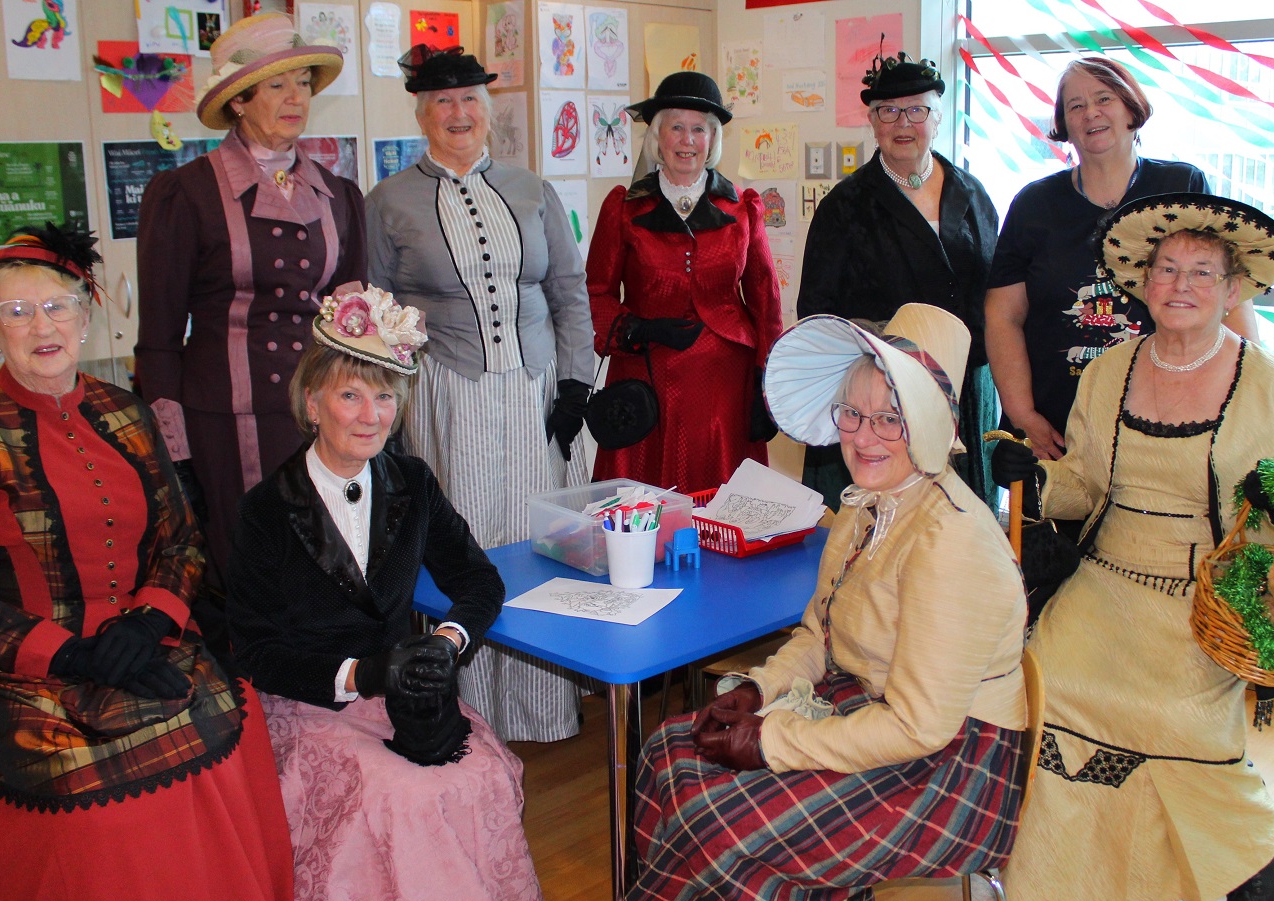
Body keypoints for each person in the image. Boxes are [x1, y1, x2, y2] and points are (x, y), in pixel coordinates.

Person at [0, 225, 296, 901]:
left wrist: (150, 621)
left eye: (56, 306)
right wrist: (68, 654)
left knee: (228, 720)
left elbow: (180, 540)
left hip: (140, 638)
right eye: (17, 313)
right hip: (15, 667)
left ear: (87, 314)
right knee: (93, 809)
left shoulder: (128, 413)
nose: (41, 326)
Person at [603, 303, 1028, 901]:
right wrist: (759, 690)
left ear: (931, 426)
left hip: (952, 769)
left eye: (891, 418)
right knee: (668, 748)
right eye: (852, 413)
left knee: (719, 818)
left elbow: (918, 728)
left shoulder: (952, 542)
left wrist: (771, 741)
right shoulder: (867, 505)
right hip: (871, 707)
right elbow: (818, 636)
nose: (862, 437)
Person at [991, 194, 1274, 901]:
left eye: (1201, 273)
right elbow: (1082, 482)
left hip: (1208, 592)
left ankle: (1241, 847)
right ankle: (1126, 867)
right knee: (1054, 679)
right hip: (1106, 575)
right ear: (1141, 281)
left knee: (1172, 712)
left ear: (1233, 290)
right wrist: (1035, 477)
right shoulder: (1107, 373)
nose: (1179, 284)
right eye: (1166, 268)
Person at [225, 288, 555, 901]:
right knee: (402, 798)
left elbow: (477, 580)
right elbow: (253, 649)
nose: (371, 415)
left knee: (484, 775)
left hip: (407, 685)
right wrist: (365, 674)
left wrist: (445, 644)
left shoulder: (410, 481)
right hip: (309, 700)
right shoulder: (265, 509)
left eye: (385, 396)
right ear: (313, 400)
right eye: (351, 394)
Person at [366, 45, 593, 742]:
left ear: (489, 110)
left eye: (469, 100)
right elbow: (376, 311)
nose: (457, 113)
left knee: (536, 539)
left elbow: (567, 290)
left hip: (532, 390)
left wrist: (575, 382)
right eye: (442, 102)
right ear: (420, 113)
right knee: (465, 545)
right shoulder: (387, 200)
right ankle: (472, 708)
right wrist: (391, 413)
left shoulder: (532, 189)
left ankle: (541, 708)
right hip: (446, 393)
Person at [135, 11, 366, 596]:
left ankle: (338, 685)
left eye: (305, 83)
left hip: (322, 415)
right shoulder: (184, 194)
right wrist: (174, 454)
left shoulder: (339, 194)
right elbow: (159, 338)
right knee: (254, 571)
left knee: (333, 563)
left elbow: (354, 317)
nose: (297, 98)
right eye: (278, 85)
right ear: (239, 101)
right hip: (227, 421)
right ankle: (256, 688)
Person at [985, 56, 1260, 461]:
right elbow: (1002, 315)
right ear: (1063, 123)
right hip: (1058, 428)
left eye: (1104, 98)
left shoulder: (1180, 186)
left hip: (1164, 421)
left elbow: (1226, 294)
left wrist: (1252, 386)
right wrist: (1022, 412)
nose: (1090, 113)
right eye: (1075, 106)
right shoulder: (1034, 204)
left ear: (1131, 108)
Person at [798, 50, 1001, 510]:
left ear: (938, 116)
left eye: (916, 109)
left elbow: (998, 296)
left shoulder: (973, 194)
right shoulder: (845, 206)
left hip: (966, 390)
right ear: (872, 121)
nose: (902, 122)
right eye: (888, 111)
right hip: (884, 397)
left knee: (958, 523)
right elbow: (817, 314)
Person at [586, 72, 783, 492]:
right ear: (658, 136)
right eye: (676, 127)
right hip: (645, 373)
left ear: (712, 140)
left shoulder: (743, 208)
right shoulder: (622, 208)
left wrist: (768, 380)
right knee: (642, 509)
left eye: (699, 129)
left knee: (723, 505)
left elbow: (766, 298)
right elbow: (595, 291)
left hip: (725, 384)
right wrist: (635, 329)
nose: (686, 140)